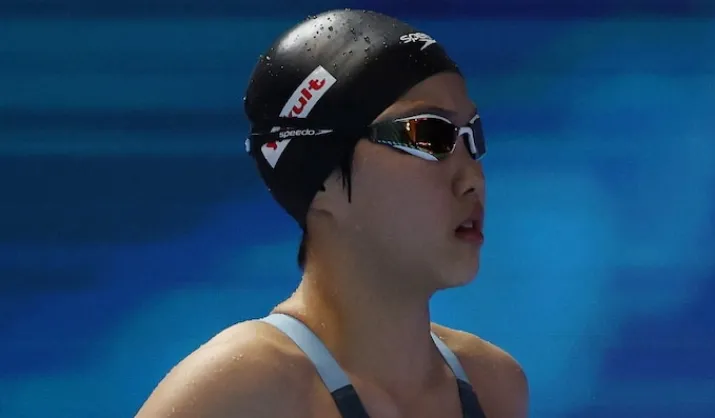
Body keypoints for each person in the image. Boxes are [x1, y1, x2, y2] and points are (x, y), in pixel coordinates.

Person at [136, 9, 528, 418]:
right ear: (320, 176)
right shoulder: (240, 392)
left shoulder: (495, 385)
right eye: (427, 135)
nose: (472, 178)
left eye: (472, 136)